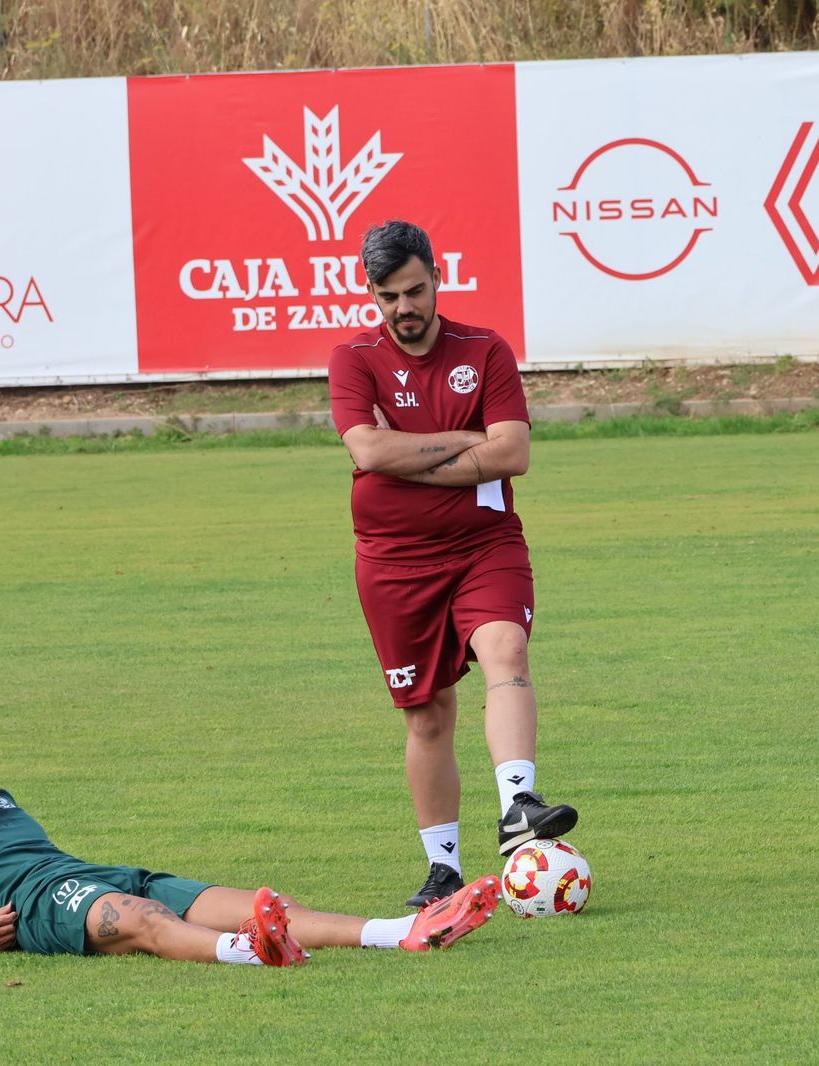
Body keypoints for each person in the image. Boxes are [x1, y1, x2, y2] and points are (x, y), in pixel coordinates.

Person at [327, 220, 577, 909]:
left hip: (482, 546)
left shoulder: (485, 350)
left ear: (438, 278)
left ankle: (520, 807)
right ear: (371, 294)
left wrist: (411, 455)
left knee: (505, 646)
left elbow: (513, 454)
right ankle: (443, 867)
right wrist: (465, 444)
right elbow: (369, 454)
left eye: (414, 291)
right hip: (392, 563)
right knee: (428, 716)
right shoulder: (353, 358)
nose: (403, 308)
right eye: (388, 297)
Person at [0, 702, 500, 965]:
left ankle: (403, 933)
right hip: (32, 906)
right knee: (140, 917)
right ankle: (250, 952)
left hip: (84, 874)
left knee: (256, 902)